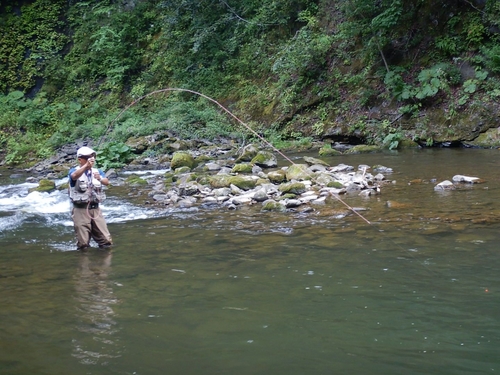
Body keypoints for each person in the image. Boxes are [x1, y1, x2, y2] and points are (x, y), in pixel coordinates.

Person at [68, 146, 113, 251]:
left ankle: (103, 265)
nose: (91, 158)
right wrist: (85, 167)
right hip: (80, 210)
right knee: (83, 244)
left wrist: (100, 178)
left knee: (106, 241)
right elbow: (74, 176)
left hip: (95, 209)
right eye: (88, 157)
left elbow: (107, 182)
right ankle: (84, 264)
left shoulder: (97, 171)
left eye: (93, 156)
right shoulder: (74, 171)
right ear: (80, 159)